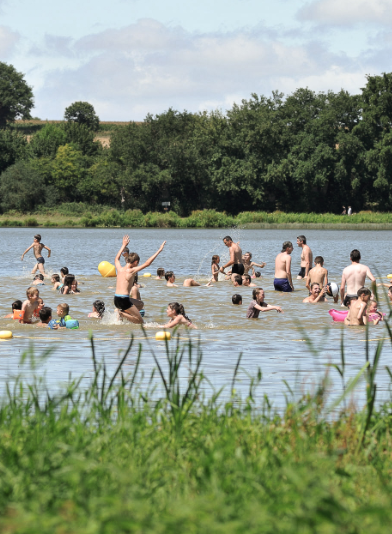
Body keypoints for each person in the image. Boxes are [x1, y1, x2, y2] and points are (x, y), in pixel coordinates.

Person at [114, 235, 166, 324]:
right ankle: (121, 313)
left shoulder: (119, 268)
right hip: (124, 299)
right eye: (137, 264)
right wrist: (159, 251)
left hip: (116, 299)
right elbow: (147, 263)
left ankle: (122, 317)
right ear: (135, 262)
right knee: (141, 322)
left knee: (140, 304)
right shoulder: (131, 271)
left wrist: (123, 245)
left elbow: (116, 258)